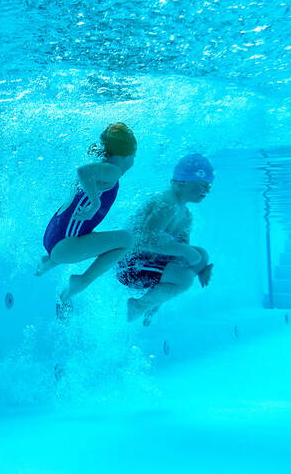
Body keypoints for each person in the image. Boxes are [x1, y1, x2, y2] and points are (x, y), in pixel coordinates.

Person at [36, 122, 137, 319]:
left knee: (113, 237)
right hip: (64, 244)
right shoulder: (112, 170)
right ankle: (80, 282)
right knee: (126, 240)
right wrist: (95, 201)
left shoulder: (101, 165)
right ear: (126, 155)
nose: (133, 161)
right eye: (134, 156)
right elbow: (82, 171)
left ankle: (51, 261)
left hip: (55, 236)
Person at [117, 153, 215, 325]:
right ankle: (139, 305)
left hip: (147, 263)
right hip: (129, 266)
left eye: (209, 186)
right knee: (185, 278)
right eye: (202, 185)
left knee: (201, 255)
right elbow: (144, 239)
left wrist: (200, 267)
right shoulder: (167, 204)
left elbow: (183, 254)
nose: (207, 190)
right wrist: (186, 252)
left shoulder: (185, 214)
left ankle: (151, 302)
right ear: (181, 183)